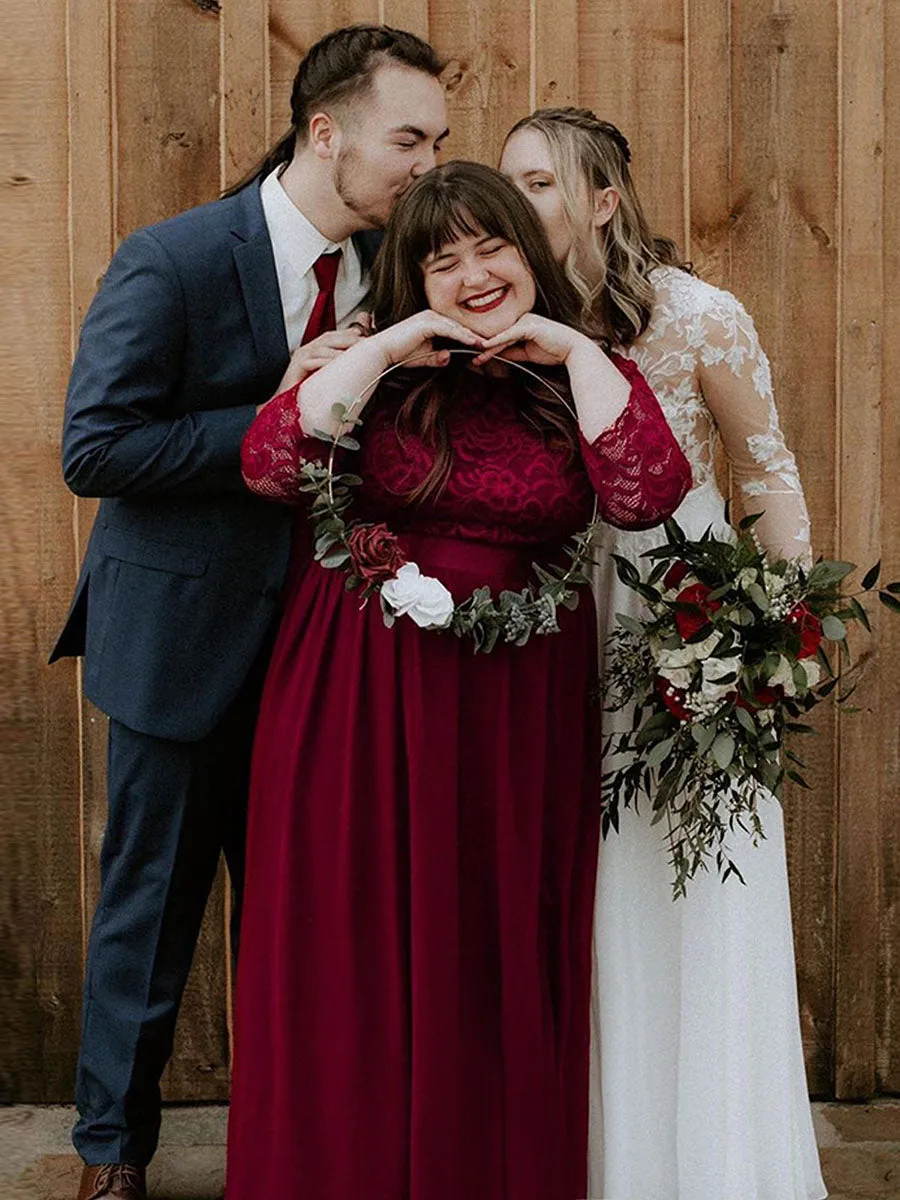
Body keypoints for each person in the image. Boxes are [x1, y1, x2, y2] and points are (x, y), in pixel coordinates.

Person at [224, 160, 692, 1200]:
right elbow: (270, 465)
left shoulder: (582, 372)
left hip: (515, 701)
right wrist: (386, 343)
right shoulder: (369, 367)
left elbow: (646, 490)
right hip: (358, 687)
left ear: (529, 257)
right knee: (354, 940)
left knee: (487, 938)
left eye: (495, 250)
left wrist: (571, 347)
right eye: (444, 262)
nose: (476, 276)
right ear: (412, 279)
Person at [51, 24, 448, 1200]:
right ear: (325, 133)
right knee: (152, 907)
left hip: (338, 651)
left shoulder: (401, 270)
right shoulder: (171, 259)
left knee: (314, 923)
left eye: (440, 140)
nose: (427, 163)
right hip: (183, 640)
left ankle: (312, 1151)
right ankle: (110, 1154)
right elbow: (95, 447)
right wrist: (277, 410)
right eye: (408, 139)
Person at [501, 107, 828, 1200]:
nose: (523, 202)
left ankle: (709, 1169)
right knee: (572, 893)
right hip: (547, 616)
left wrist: (777, 644)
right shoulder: (506, 319)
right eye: (513, 183)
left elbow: (769, 481)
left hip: (678, 618)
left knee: (684, 895)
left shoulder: (699, 318)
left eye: (543, 183)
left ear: (603, 199)